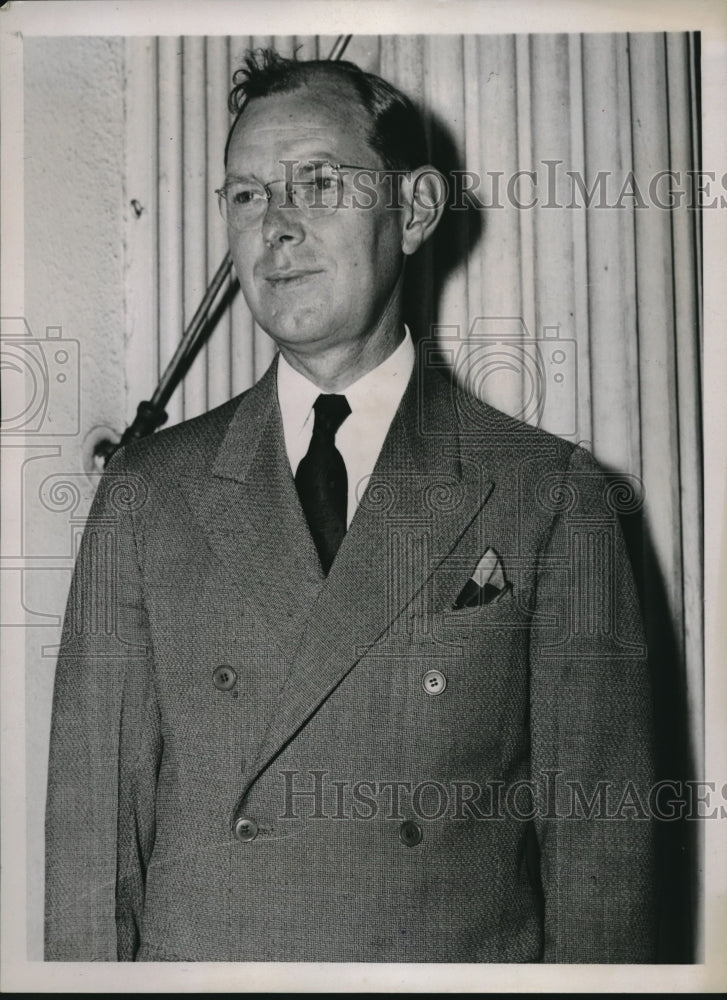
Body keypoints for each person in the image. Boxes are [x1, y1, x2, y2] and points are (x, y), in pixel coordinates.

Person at [45, 50, 656, 963]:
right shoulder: (147, 494)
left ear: (412, 211)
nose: (275, 228)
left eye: (317, 184)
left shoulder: (551, 496)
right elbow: (90, 859)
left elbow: (600, 869)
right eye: (246, 195)